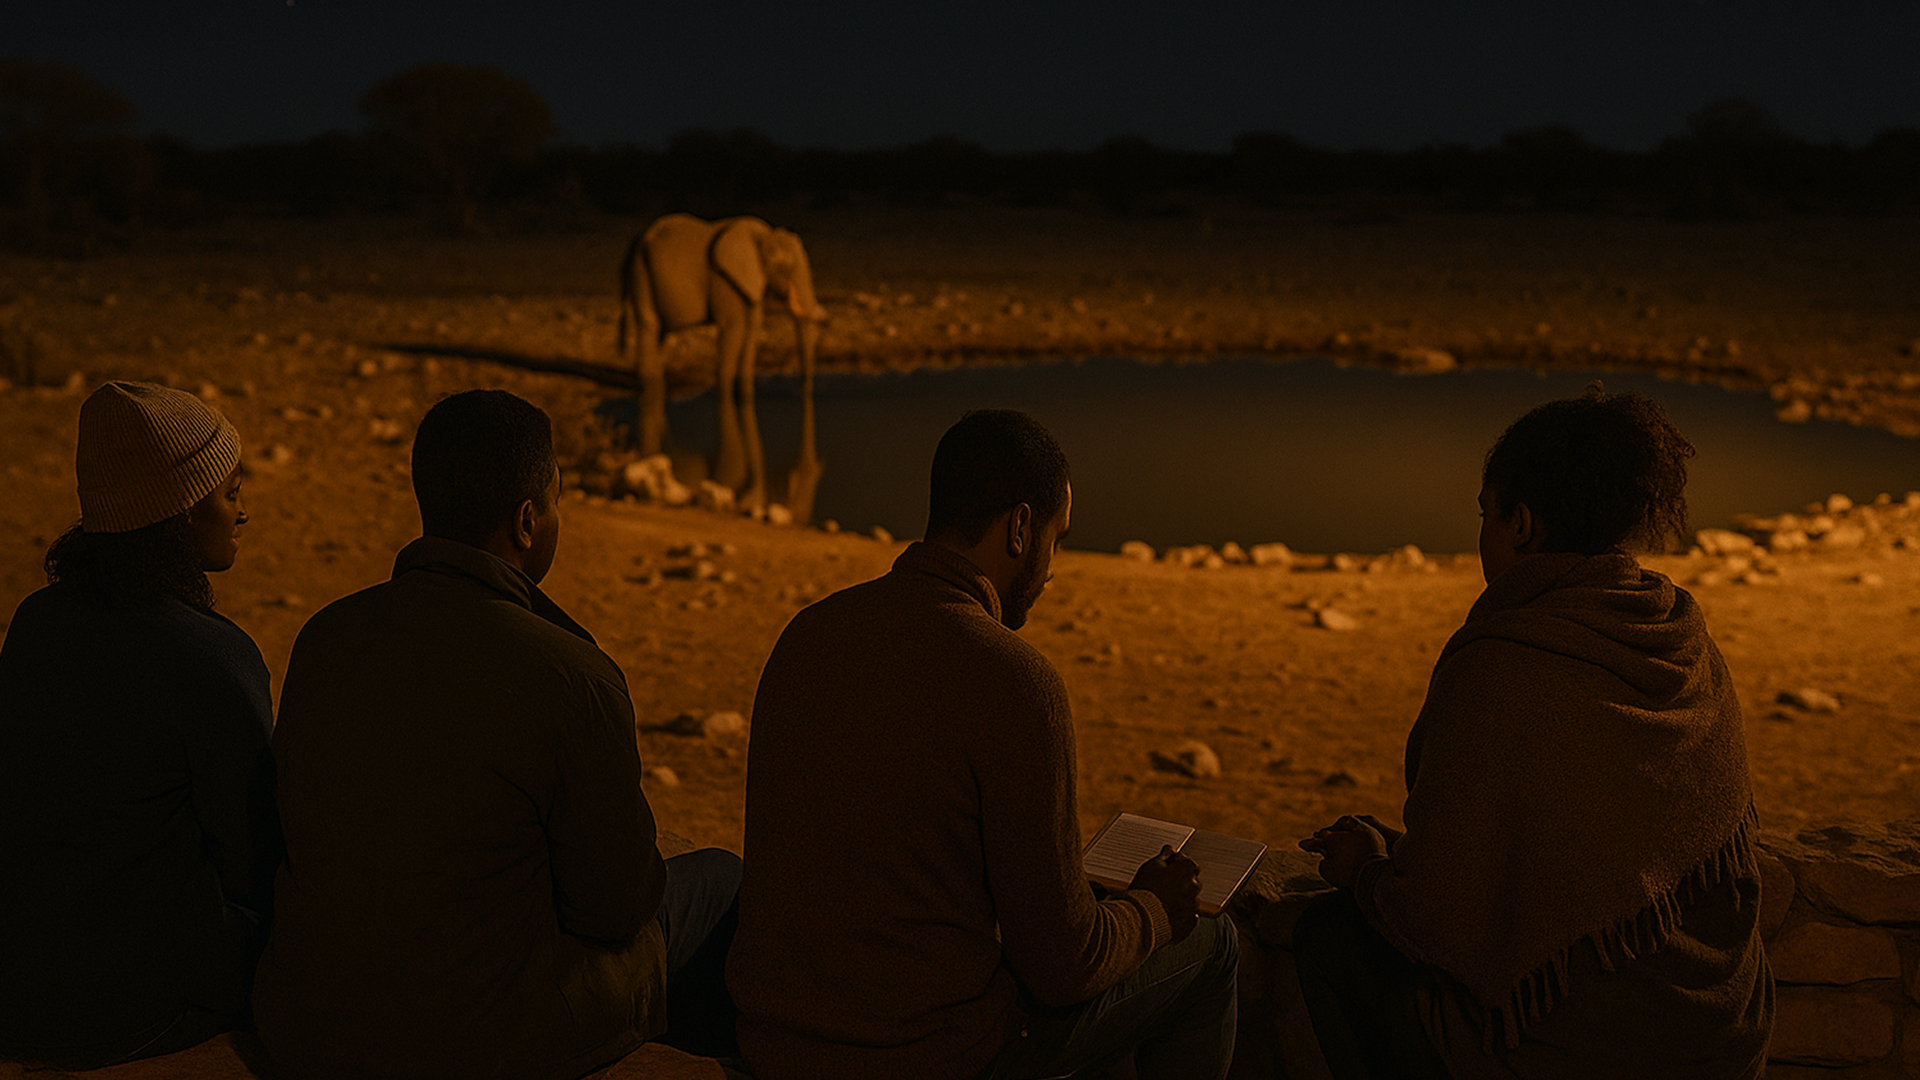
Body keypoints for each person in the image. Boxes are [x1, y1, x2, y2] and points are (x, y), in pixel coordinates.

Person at [727, 408, 1239, 1080]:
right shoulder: (1014, 681)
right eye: (1057, 539)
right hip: (924, 1055)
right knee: (1214, 948)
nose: (1053, 566)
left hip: (774, 1041)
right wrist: (1152, 909)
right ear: (1021, 528)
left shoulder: (808, 634)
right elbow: (1065, 964)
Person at [251, 389, 741, 1080]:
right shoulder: (568, 672)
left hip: (309, 1022)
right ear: (527, 520)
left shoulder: (326, 637)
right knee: (720, 881)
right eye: (558, 501)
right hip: (473, 1041)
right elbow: (615, 906)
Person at [1295, 387, 1774, 1080]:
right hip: (1722, 1033)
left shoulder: (1504, 661)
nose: (1484, 535)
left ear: (1523, 525)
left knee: (1330, 939)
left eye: (1486, 515)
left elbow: (1439, 920)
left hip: (1580, 1047)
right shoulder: (1676, 630)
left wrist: (1369, 872)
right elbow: (1605, 853)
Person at [0, 381, 279, 1069]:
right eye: (229, 492)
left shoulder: (38, 621)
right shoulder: (212, 658)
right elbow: (253, 857)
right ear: (181, 515)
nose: (242, 512)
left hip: (23, 977)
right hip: (134, 1001)